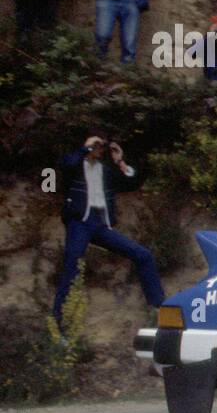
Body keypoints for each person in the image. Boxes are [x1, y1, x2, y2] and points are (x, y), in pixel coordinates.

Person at [54, 133, 164, 326]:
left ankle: (160, 308)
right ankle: (58, 324)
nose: (99, 149)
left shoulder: (106, 170)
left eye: (101, 147)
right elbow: (65, 165)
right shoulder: (76, 166)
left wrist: (120, 160)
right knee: (72, 269)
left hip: (100, 224)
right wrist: (85, 147)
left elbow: (132, 182)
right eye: (96, 146)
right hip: (79, 223)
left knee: (143, 255)